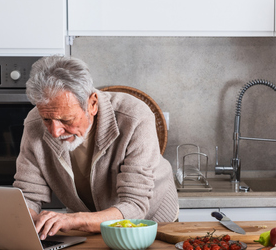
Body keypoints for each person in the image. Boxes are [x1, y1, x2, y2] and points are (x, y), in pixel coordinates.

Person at [13, 55, 179, 238]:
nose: (54, 132)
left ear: (92, 104)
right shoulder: (34, 123)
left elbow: (135, 206)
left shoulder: (135, 118)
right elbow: (28, 195)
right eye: (46, 119)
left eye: (66, 120)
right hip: (86, 227)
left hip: (150, 224)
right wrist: (29, 221)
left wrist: (75, 220)